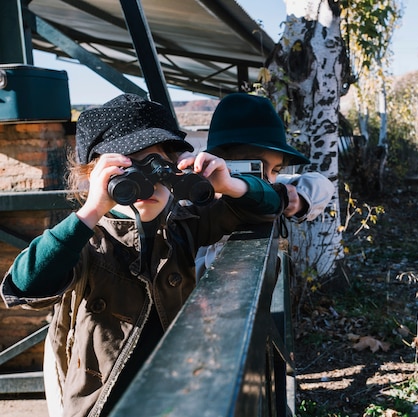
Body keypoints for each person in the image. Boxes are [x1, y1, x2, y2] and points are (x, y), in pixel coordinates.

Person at [0, 94, 286, 417]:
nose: (146, 185)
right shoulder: (89, 243)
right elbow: (25, 283)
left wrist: (231, 185)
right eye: (125, 173)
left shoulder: (185, 226)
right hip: (104, 407)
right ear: (94, 180)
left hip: (173, 398)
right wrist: (91, 211)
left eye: (157, 167)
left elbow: (272, 205)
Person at [194, 92, 334, 278]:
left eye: (275, 170)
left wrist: (298, 199)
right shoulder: (193, 202)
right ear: (222, 162)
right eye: (255, 168)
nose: (267, 179)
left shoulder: (274, 189)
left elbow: (323, 185)